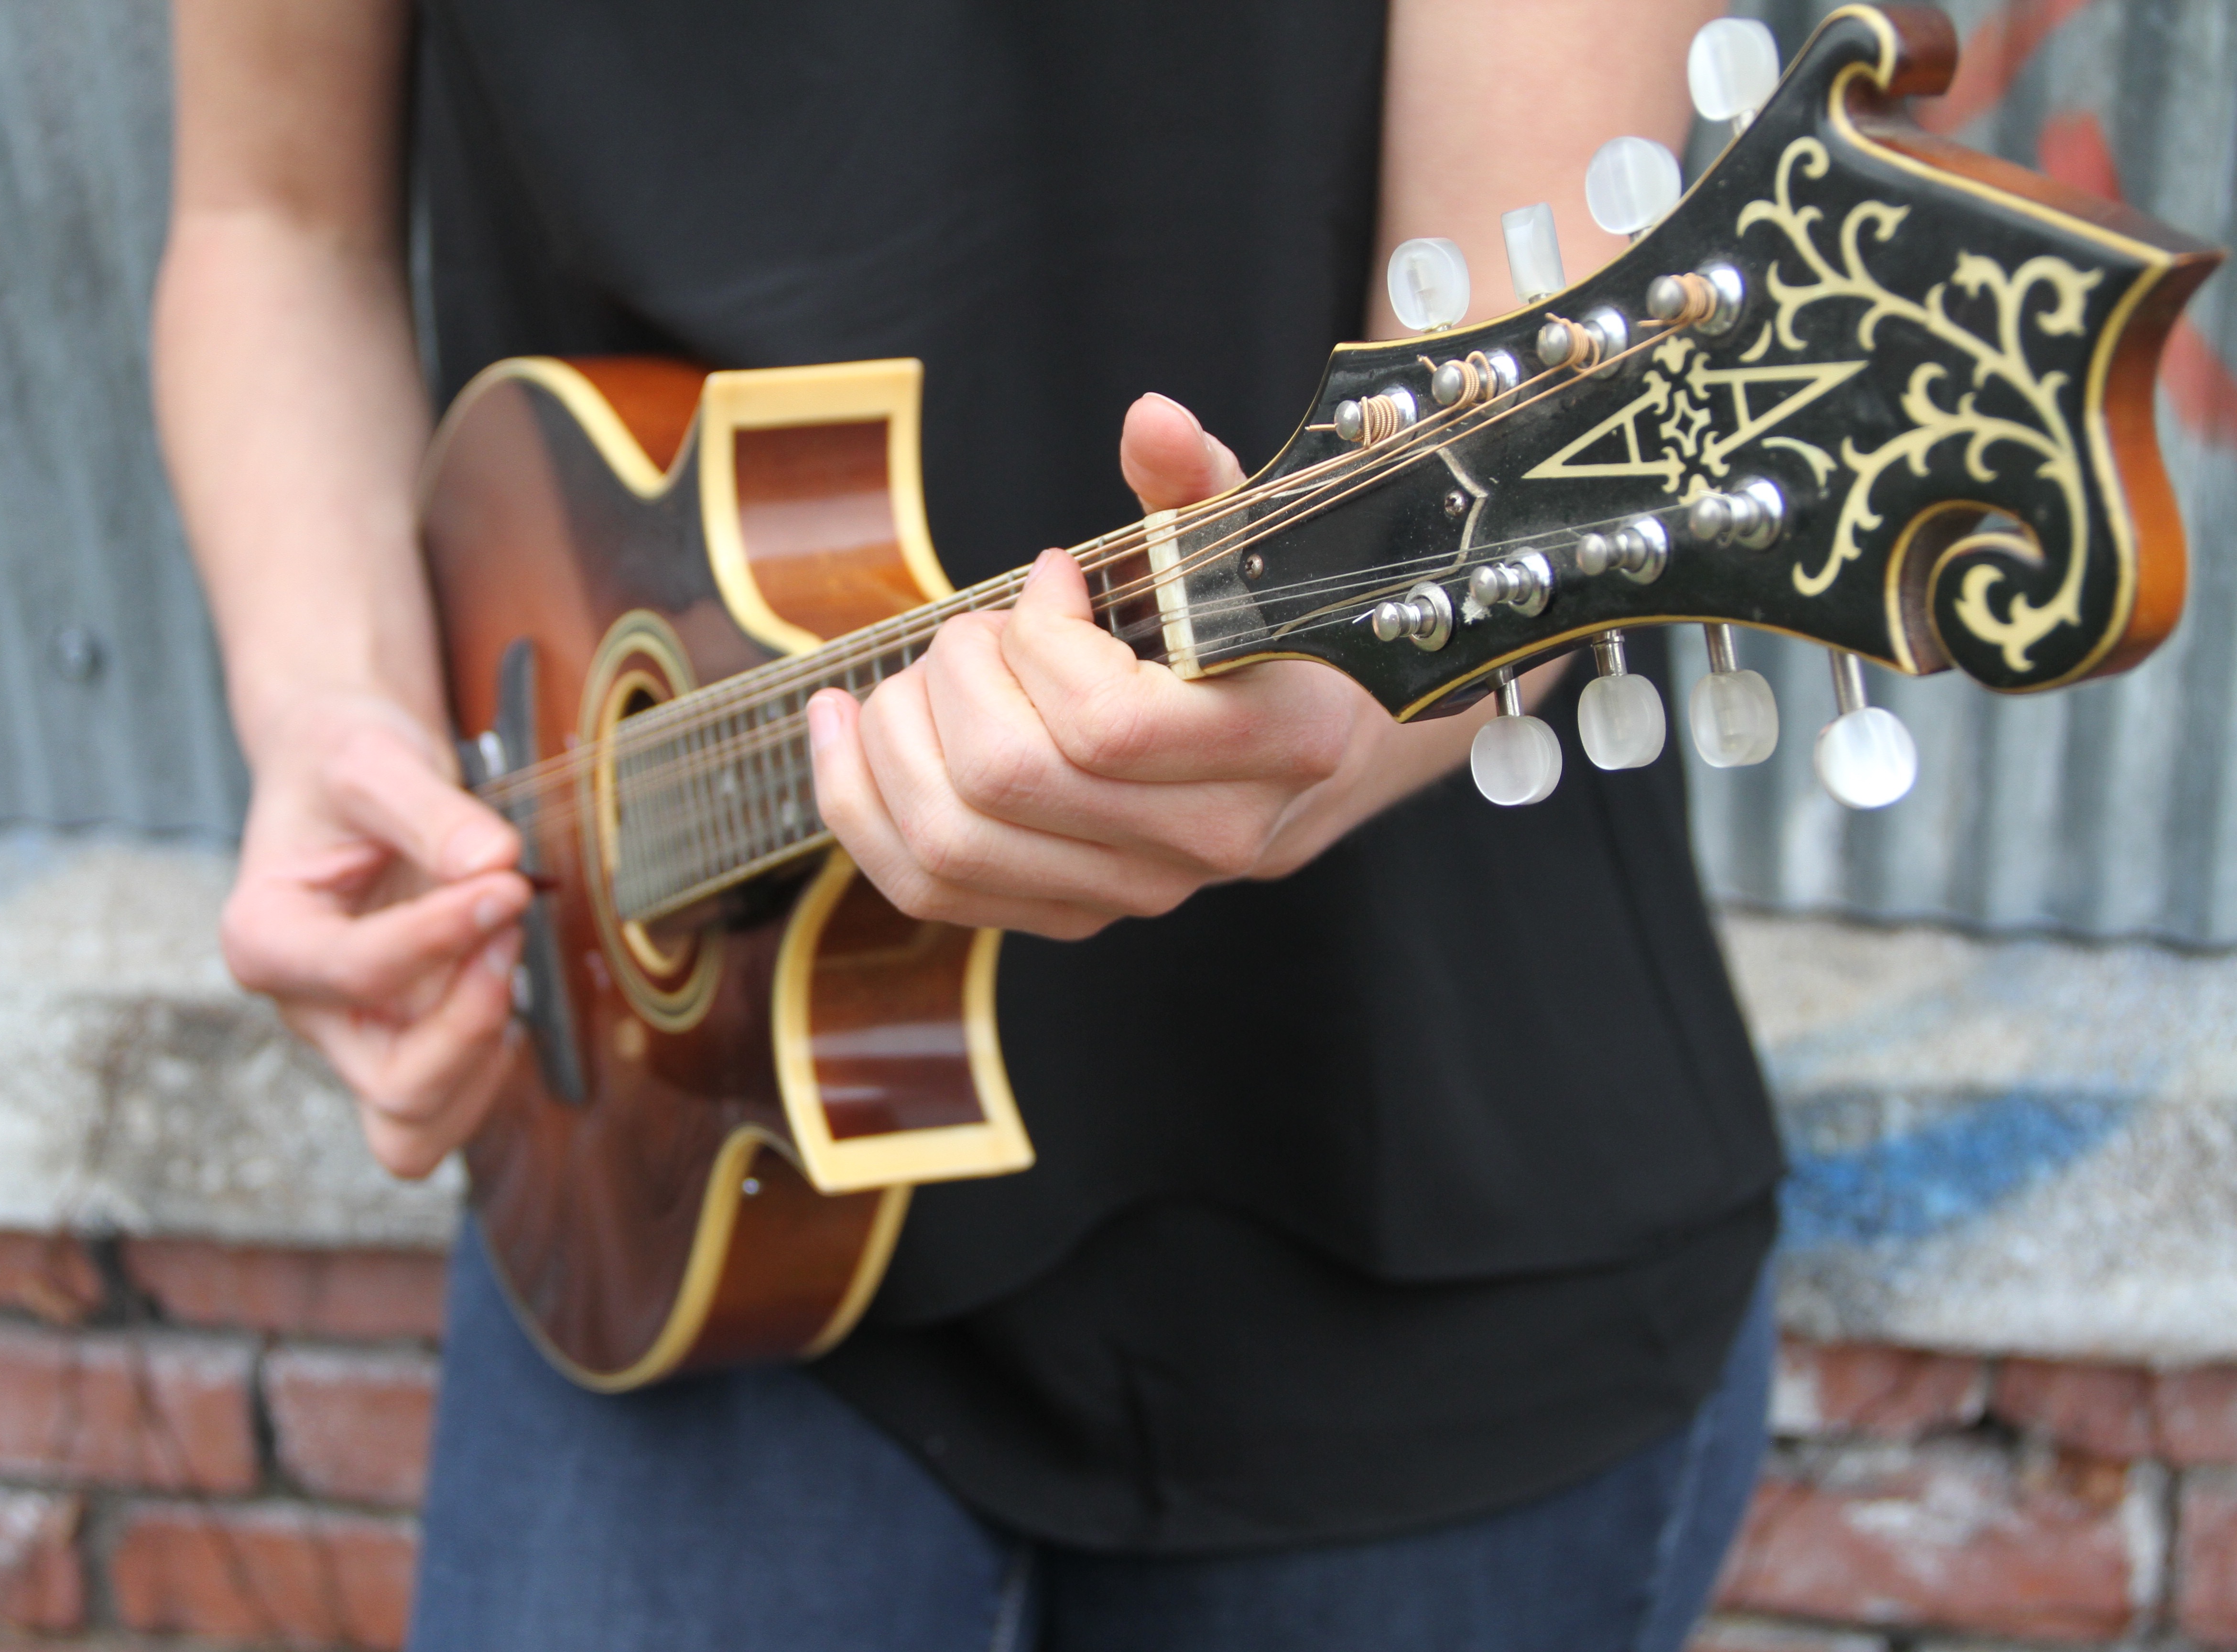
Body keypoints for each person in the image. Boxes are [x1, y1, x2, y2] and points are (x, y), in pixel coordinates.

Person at [154, 2, 1784, 1646]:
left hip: (1422, 1181)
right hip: (675, 1171)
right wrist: (328, 709)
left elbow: (1551, 406)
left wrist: (1344, 717)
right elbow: (271, 224)